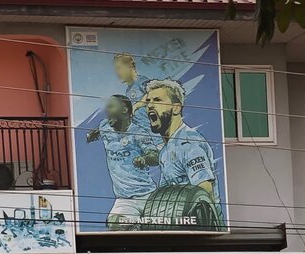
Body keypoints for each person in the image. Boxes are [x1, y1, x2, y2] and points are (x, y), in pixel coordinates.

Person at [143, 78, 223, 222]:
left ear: (176, 108)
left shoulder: (189, 143)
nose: (149, 105)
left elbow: (204, 191)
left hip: (201, 228)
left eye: (157, 100)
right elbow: (164, 195)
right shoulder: (165, 152)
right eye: (148, 101)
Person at [86, 94, 158, 229]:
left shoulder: (138, 133)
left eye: (111, 106)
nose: (106, 110)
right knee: (114, 224)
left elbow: (155, 156)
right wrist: (90, 136)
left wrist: (144, 158)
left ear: (125, 110)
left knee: (163, 229)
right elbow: (96, 132)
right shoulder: (105, 126)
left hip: (148, 196)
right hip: (125, 199)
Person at [113, 52, 150, 126]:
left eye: (119, 68)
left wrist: (136, 106)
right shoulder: (128, 91)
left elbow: (153, 94)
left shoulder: (142, 81)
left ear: (129, 66)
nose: (117, 73)